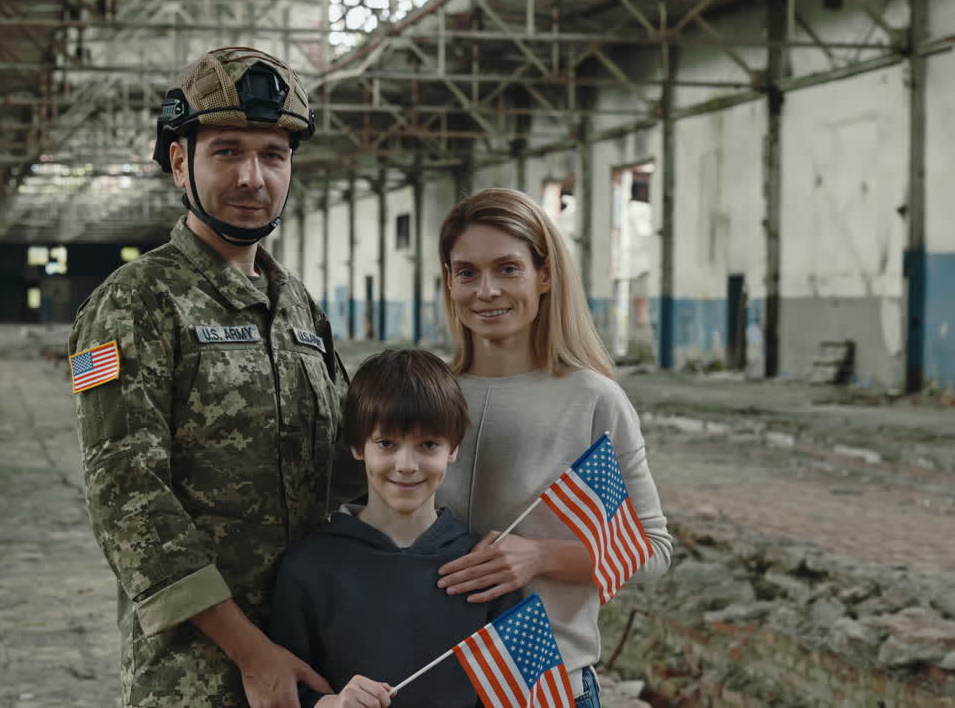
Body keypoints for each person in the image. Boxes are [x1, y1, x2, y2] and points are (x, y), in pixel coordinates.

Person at [69, 47, 363, 708]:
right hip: (197, 676)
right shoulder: (138, 302)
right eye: (227, 151)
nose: (253, 177)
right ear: (181, 164)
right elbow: (127, 497)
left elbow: (344, 473)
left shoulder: (299, 310)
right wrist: (253, 656)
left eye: (273, 155)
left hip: (314, 661)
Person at [432, 188, 673, 708]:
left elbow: (651, 549)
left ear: (544, 276)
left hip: (544, 683)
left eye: (508, 269)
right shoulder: (426, 396)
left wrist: (539, 556)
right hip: (425, 679)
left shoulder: (593, 399)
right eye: (467, 272)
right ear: (449, 281)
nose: (487, 290)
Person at [267, 349, 522, 708]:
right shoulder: (308, 568)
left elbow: (517, 692)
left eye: (428, 445)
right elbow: (283, 692)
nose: (406, 465)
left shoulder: (483, 568)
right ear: (358, 445)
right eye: (386, 443)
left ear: (453, 448)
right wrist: (329, 704)